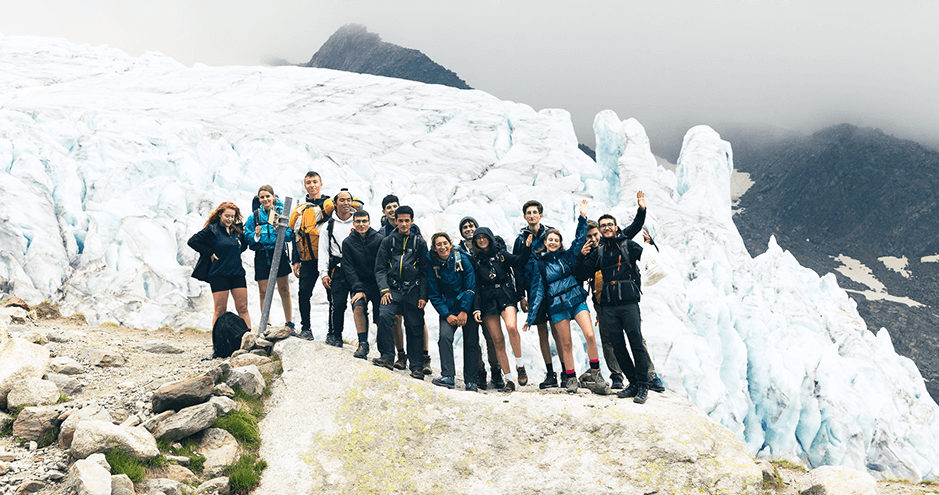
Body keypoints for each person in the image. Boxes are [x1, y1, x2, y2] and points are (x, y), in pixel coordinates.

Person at [523, 200, 609, 395]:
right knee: (566, 343)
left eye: (556, 240)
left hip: (576, 300)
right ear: (545, 242)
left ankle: (596, 372)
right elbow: (537, 292)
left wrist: (582, 217)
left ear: (560, 243)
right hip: (557, 306)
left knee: (589, 335)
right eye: (549, 240)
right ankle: (571, 377)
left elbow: (580, 240)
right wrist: (530, 318)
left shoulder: (568, 256)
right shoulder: (540, 265)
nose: (553, 242)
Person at [574, 191, 647, 390]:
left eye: (609, 225)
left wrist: (642, 210)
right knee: (617, 345)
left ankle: (644, 382)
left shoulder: (627, 244)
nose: (606, 228)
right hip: (608, 305)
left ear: (615, 228)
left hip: (628, 301)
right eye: (603, 225)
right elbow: (581, 273)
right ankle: (632, 382)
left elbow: (648, 256)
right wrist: (581, 256)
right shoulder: (598, 252)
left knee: (636, 342)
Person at [470, 227, 532, 392]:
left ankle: (520, 366)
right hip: (487, 299)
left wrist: (526, 248)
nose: (482, 240)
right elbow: (474, 286)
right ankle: (509, 380)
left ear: (490, 238)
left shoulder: (501, 254)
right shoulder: (475, 261)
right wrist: (476, 308)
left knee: (511, 326)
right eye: (478, 238)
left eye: (484, 237)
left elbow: (520, 261)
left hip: (505, 294)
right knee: (497, 340)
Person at [514, 200, 566, 389]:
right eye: (529, 212)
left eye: (535, 212)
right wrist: (521, 295)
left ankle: (566, 373)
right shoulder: (521, 239)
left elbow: (561, 257)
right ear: (525, 216)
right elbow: (518, 267)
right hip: (533, 289)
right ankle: (550, 373)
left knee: (558, 330)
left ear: (540, 215)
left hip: (552, 288)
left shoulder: (550, 234)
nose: (532, 215)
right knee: (542, 332)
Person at [374, 206, 429, 380]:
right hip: (392, 289)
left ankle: (417, 366)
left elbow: (425, 272)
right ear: (395, 221)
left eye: (407, 220)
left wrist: (422, 295)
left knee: (414, 325)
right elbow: (380, 268)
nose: (404, 224)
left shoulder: (419, 243)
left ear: (412, 221)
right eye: (401, 220)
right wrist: (384, 290)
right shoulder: (388, 241)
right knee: (384, 315)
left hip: (412, 289)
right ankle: (387, 356)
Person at [426, 232, 480, 391]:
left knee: (471, 342)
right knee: (444, 337)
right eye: (438, 245)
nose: (442, 247)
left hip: (466, 307)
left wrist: (464, 310)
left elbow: (470, 287)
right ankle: (448, 376)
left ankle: (471, 381)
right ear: (434, 248)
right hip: (448, 308)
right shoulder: (433, 265)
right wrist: (447, 314)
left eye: (444, 243)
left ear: (450, 244)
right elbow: (434, 294)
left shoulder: (462, 259)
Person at [188, 201, 251, 329]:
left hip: (237, 273)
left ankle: (248, 338)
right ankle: (217, 342)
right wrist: (209, 252)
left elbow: (243, 246)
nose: (230, 219)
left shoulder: (237, 231)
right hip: (219, 274)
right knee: (220, 310)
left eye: (232, 216)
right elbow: (193, 241)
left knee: (243, 308)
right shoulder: (212, 230)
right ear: (220, 215)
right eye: (227, 216)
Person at [458, 216, 503, 389]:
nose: (468, 229)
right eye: (465, 227)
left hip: (487, 299)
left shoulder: (487, 248)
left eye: (471, 226)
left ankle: (496, 370)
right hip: (468, 299)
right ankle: (479, 371)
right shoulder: (459, 251)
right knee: (472, 339)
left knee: (492, 337)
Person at [289, 171, 331, 339]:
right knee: (304, 293)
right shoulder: (300, 210)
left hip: (328, 258)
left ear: (321, 184)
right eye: (308, 182)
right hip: (308, 258)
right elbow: (296, 234)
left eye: (315, 182)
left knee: (332, 295)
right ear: (305, 186)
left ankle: (333, 333)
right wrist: (296, 259)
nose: (312, 185)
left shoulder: (330, 206)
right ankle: (306, 329)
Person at [245, 185, 294, 329]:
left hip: (278, 252)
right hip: (262, 254)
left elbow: (290, 235)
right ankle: (266, 322)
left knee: (284, 288)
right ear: (259, 199)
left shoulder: (281, 214)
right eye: (262, 197)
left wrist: (280, 230)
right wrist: (256, 234)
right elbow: (247, 236)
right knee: (264, 290)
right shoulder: (254, 217)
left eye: (268, 196)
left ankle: (289, 322)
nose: (265, 199)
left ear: (273, 196)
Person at [343, 209, 384, 359]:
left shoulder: (379, 239)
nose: (361, 224)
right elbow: (349, 268)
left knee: (383, 315)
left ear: (369, 222)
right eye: (358, 222)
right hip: (360, 284)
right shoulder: (348, 242)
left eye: (364, 221)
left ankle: (384, 349)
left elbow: (383, 265)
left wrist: (383, 288)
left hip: (378, 284)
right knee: (358, 306)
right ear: (353, 223)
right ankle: (363, 344)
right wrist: (359, 289)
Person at [319, 188, 357, 347]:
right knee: (338, 304)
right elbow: (323, 250)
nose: (346, 203)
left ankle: (362, 341)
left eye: (348, 200)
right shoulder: (328, 226)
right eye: (342, 200)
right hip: (338, 269)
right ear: (334, 204)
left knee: (359, 306)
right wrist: (323, 273)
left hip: (356, 269)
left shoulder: (358, 222)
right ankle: (336, 336)